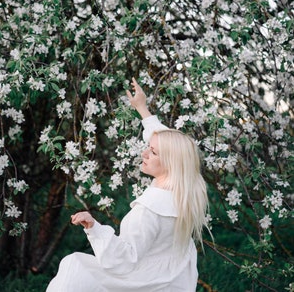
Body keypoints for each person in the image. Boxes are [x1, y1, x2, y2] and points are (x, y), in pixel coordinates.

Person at [46, 77, 209, 292]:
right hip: (172, 279)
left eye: (152, 152)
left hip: (144, 281)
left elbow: (124, 259)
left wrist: (94, 227)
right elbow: (168, 141)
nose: (144, 153)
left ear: (171, 161)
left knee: (75, 267)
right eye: (148, 147)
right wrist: (142, 108)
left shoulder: (149, 210)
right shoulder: (186, 190)